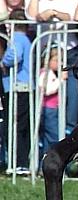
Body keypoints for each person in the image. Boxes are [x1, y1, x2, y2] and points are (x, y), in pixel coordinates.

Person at [24, 0, 78, 134]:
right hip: (44, 57)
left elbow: (74, 18)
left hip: (70, 55)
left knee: (72, 104)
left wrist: (55, 14)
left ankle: (69, 143)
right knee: (46, 108)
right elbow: (30, 17)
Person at [1, 13, 32, 173]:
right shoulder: (25, 38)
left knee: (14, 125)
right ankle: (22, 163)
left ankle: (19, 163)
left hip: (17, 87)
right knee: (21, 126)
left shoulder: (17, 38)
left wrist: (3, 63)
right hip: (22, 87)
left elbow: (15, 55)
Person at [38, 46, 64, 161]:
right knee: (54, 136)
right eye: (56, 60)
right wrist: (60, 81)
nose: (60, 63)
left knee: (48, 137)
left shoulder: (52, 73)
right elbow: (46, 90)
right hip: (48, 108)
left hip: (52, 108)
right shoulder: (45, 73)